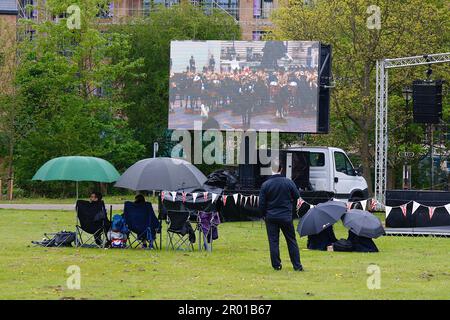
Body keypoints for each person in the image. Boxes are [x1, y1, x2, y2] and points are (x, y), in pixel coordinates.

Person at [258, 158, 304, 271]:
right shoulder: (289, 182)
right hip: (286, 216)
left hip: (271, 217)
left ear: (271, 169)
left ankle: (276, 265)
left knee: (273, 242)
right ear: (282, 169)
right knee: (291, 241)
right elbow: (297, 198)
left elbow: (262, 204)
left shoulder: (266, 184)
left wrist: (263, 215)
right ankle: (297, 266)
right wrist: (291, 211)